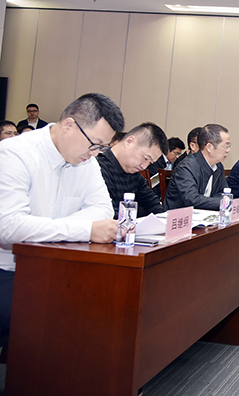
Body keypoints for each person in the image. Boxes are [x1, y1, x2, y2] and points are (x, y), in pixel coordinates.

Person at [0, 93, 124, 332]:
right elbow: (9, 228)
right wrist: (85, 229)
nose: (96, 153)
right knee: (64, 315)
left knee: (109, 303)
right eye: (95, 144)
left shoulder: (87, 161)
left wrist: (41, 227)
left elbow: (102, 209)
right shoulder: (14, 153)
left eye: (102, 147)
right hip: (9, 270)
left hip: (55, 266)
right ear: (69, 125)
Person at [164, 124, 239, 211]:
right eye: (225, 146)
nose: (228, 150)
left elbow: (223, 193)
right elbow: (192, 199)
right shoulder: (186, 167)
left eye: (229, 146)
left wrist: (227, 201)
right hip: (180, 216)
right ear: (209, 147)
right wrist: (226, 203)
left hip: (204, 214)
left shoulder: (218, 166)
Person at [97, 122, 167, 217]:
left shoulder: (134, 174)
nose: (144, 166)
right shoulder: (98, 168)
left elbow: (152, 203)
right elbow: (108, 214)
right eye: (145, 158)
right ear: (129, 142)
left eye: (150, 162)